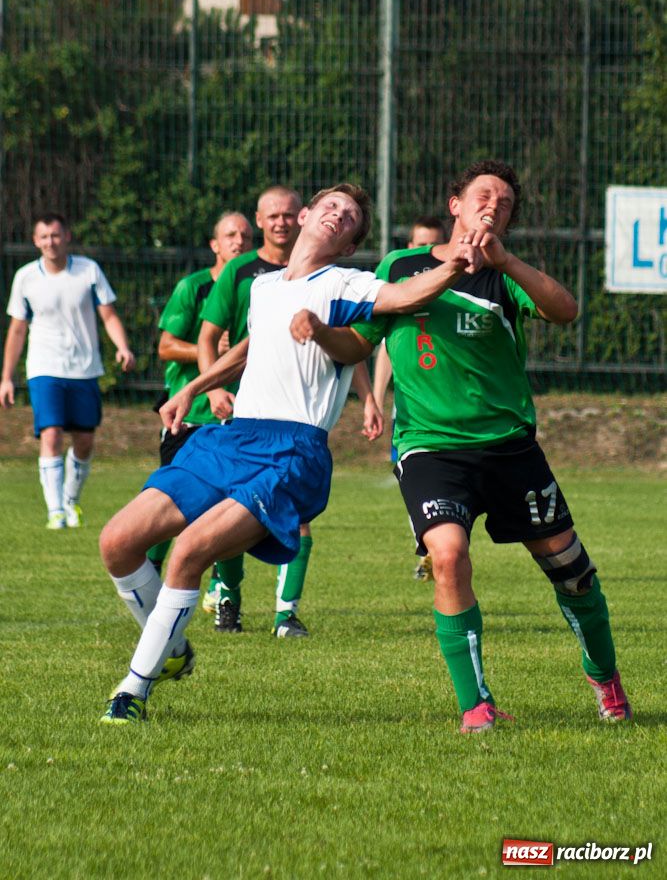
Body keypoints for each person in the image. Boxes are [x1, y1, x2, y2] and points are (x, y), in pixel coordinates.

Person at [98, 182, 483, 723]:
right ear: (305, 215)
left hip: (292, 451)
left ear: (350, 245)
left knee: (188, 553)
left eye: (350, 218)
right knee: (117, 542)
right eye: (330, 206)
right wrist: (192, 387)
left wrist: (455, 266)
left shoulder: (347, 282)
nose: (338, 215)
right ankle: (172, 650)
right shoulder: (264, 287)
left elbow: (407, 296)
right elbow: (250, 348)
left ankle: (131, 693)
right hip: (233, 438)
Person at [350, 159, 632, 733]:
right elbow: (362, 335)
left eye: (505, 204)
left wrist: (505, 260)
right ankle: (475, 703)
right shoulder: (401, 267)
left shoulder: (506, 277)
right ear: (455, 204)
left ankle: (603, 675)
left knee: (572, 571)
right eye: (483, 196)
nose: (493, 206)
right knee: (448, 557)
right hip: (431, 448)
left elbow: (566, 310)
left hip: (509, 448)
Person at [197, 185, 380, 638]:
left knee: (297, 517)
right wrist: (205, 389)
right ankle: (228, 600)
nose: (280, 221)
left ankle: (285, 613)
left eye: (286, 212)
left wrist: (368, 397)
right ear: (265, 220)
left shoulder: (341, 281)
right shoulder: (245, 275)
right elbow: (226, 339)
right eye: (272, 215)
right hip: (247, 416)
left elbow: (349, 344)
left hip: (298, 427)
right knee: (222, 513)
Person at [1, 214, 135, 528]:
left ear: (67, 236)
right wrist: (7, 376)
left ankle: (71, 500)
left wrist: (123, 346)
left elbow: (109, 315)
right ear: (36, 241)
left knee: (85, 440)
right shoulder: (26, 277)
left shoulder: (88, 271)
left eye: (56, 235)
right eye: (44, 237)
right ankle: (55, 512)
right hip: (44, 368)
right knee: (50, 434)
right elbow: (17, 330)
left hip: (85, 369)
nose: (51, 242)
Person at [144, 211, 254, 576]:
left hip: (239, 416)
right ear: (215, 245)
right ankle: (151, 573)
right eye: (230, 235)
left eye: (245, 236)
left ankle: (226, 595)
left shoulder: (262, 287)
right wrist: (210, 352)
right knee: (169, 500)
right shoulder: (193, 287)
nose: (239, 241)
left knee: (231, 508)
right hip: (189, 417)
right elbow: (166, 346)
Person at [371, 217, 446, 582]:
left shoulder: (451, 290)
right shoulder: (398, 285)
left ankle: (433, 547)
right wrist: (376, 396)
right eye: (418, 244)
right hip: (409, 410)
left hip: (449, 408)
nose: (423, 252)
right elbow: (384, 348)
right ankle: (428, 544)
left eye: (430, 244)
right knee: (412, 475)